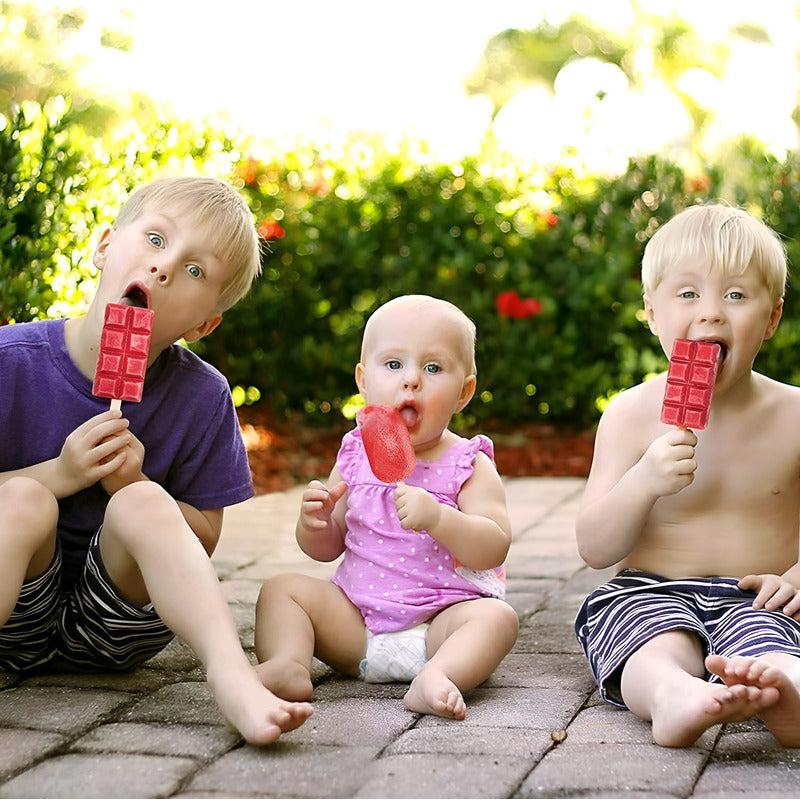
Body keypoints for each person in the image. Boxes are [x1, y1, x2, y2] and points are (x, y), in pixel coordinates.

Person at [0, 176, 312, 745]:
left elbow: (205, 538)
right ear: (103, 246)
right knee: (23, 497)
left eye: (196, 271)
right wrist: (59, 475)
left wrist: (135, 482)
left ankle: (232, 677)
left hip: (116, 629)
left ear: (203, 324)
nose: (165, 267)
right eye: (154, 239)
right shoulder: (10, 364)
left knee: (144, 501)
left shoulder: (202, 395)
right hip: (12, 615)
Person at [574, 202, 800, 748]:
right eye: (688, 294)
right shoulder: (629, 415)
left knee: (773, 641)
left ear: (771, 317)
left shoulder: (794, 415)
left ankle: (788, 692)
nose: (712, 313)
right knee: (646, 641)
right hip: (649, 590)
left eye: (737, 295)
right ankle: (672, 695)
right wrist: (643, 482)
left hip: (760, 595)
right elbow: (595, 547)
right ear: (652, 313)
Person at [254, 294, 519, 719]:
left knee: (497, 620)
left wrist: (439, 518)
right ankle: (288, 664)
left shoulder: (469, 463)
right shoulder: (357, 454)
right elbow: (328, 546)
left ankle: (439, 676)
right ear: (363, 381)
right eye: (393, 365)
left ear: (464, 392)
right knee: (281, 591)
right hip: (356, 626)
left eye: (433, 368)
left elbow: (494, 546)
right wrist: (316, 523)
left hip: (440, 626)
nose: (411, 379)